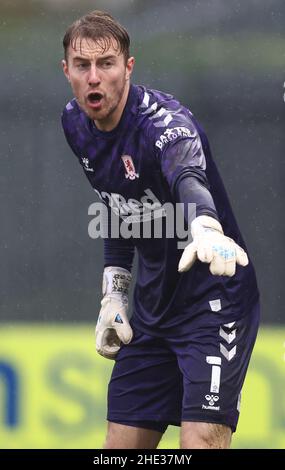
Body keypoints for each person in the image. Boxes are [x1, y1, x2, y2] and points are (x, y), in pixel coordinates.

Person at [61, 10, 260, 449]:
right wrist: (114, 292)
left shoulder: (165, 126)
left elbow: (189, 178)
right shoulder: (75, 124)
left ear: (128, 68)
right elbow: (117, 204)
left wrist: (206, 227)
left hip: (214, 303)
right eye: (82, 65)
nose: (95, 77)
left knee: (200, 444)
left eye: (107, 64)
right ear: (67, 71)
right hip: (153, 310)